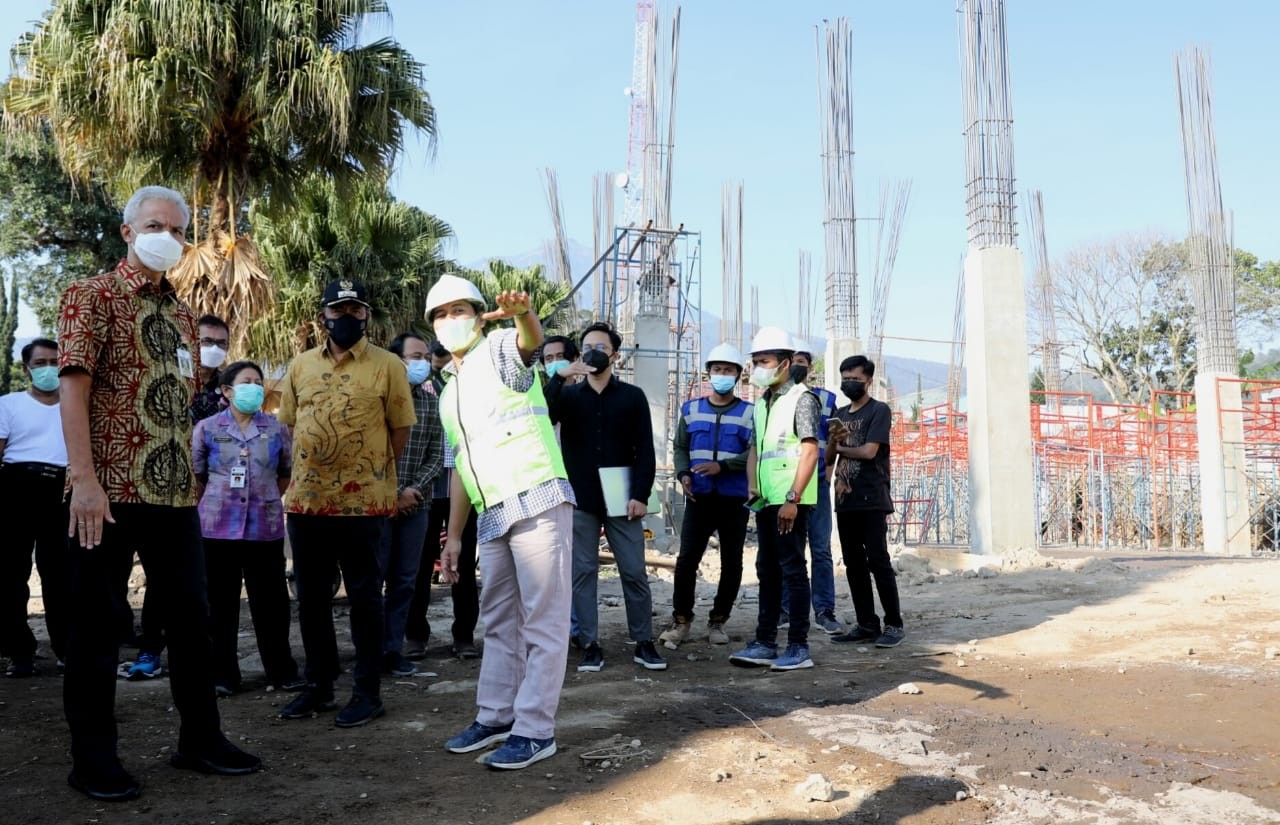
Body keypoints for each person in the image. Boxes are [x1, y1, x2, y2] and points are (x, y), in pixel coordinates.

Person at [57, 185, 260, 801]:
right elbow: (74, 392)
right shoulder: (89, 296)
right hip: (111, 492)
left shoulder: (180, 314)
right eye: (154, 225)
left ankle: (200, 740)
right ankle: (93, 759)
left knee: (192, 623)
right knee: (96, 629)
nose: (166, 237)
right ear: (126, 231)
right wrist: (85, 481)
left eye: (176, 230)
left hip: (174, 496)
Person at [428, 273, 576, 771]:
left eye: (460, 310)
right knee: (498, 621)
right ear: (432, 325)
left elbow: (529, 344)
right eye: (442, 314)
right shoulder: (448, 391)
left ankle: (535, 730)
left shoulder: (499, 349)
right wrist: (453, 536)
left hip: (536, 497)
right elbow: (458, 468)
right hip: (491, 515)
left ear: (478, 313)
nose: (453, 321)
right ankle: (495, 717)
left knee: (543, 621)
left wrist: (523, 315)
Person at [277, 279, 416, 728]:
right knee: (312, 598)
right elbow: (290, 424)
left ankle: (367, 691)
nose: (347, 319)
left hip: (363, 506)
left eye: (356, 311)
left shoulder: (388, 365)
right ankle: (319, 686)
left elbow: (399, 429)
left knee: (364, 599)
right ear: (324, 316)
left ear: (366, 316)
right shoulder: (300, 366)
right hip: (307, 503)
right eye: (338, 311)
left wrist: (369, 471)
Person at [546, 322, 666, 673]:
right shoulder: (567, 397)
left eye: (600, 346)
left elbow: (645, 448)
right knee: (582, 573)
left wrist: (640, 495)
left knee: (633, 571)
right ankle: (589, 644)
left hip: (622, 498)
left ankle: (644, 641)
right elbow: (542, 414)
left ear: (615, 355)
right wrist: (559, 377)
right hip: (580, 497)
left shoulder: (632, 397)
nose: (593, 352)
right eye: (586, 347)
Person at [126, 313, 233, 681]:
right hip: (165, 492)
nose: (213, 349)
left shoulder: (229, 392)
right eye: (206, 341)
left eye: (221, 343)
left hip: (213, 499)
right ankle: (150, 649)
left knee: (203, 583)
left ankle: (204, 659)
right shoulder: (169, 379)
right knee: (161, 577)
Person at [192, 360, 304, 695]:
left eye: (258, 381)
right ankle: (223, 675)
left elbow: (285, 472)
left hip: (264, 528)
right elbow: (198, 474)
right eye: (246, 381)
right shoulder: (207, 428)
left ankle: (281, 670)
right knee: (219, 606)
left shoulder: (275, 427)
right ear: (227, 391)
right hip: (216, 529)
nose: (254, 387)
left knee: (271, 605)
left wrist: (266, 496)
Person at [728, 327, 820, 672]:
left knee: (793, 570)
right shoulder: (763, 404)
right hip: (767, 500)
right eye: (754, 362)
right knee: (766, 569)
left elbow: (810, 451)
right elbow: (756, 449)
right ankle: (765, 641)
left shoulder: (802, 398)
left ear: (784, 363)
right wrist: (753, 485)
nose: (757, 368)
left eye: (763, 361)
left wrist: (793, 499)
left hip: (790, 503)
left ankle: (798, 646)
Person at [659, 342, 753, 649]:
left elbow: (755, 453)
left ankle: (718, 621)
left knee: (732, 563)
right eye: (717, 370)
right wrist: (683, 473)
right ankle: (681, 620)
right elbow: (680, 447)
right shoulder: (691, 409)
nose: (721, 375)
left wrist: (722, 466)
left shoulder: (749, 413)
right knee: (686, 561)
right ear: (708, 374)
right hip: (699, 498)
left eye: (728, 370)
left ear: (738, 375)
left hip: (733, 499)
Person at [405, 340, 480, 661]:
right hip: (429, 490)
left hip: (465, 488)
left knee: (463, 565)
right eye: (433, 360)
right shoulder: (420, 391)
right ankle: (415, 636)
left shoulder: (472, 385)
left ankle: (464, 637)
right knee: (420, 565)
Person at [0, 338, 70, 678]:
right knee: (11, 576)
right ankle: (20, 652)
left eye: (54, 361)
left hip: (63, 491)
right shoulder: (8, 404)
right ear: (27, 368)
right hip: (17, 489)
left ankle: (66, 649)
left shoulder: (76, 405)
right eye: (40, 362)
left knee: (61, 575)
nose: (48, 368)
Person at [827, 355, 904, 648]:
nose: (850, 383)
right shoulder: (841, 414)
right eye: (845, 377)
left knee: (878, 561)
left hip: (872, 497)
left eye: (855, 378)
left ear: (869, 380)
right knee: (853, 564)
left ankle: (894, 624)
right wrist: (834, 441)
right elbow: (829, 459)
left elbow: (871, 451)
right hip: (845, 499)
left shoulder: (879, 410)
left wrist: (844, 447)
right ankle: (866, 623)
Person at [379, 332, 444, 676]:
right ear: (396, 359)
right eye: (415, 355)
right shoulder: (377, 396)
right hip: (377, 506)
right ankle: (370, 651)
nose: (422, 362)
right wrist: (390, 492)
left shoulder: (431, 402)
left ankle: (393, 650)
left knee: (406, 581)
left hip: (416, 506)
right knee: (373, 580)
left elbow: (437, 455)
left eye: (424, 355)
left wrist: (411, 490)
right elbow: (371, 452)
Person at [784, 342, 843, 635]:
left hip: (817, 481)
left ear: (810, 366)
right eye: (792, 360)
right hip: (787, 482)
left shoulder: (825, 399)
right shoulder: (776, 399)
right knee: (788, 549)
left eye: (802, 361)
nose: (797, 365)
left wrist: (828, 473)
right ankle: (786, 609)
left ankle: (824, 610)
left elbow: (832, 439)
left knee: (820, 549)